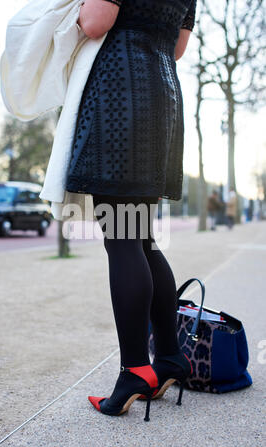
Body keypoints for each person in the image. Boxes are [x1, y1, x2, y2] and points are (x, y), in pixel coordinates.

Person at [65, 0, 196, 421]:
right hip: (163, 96)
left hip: (120, 97)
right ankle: (171, 358)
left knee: (122, 238)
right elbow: (178, 47)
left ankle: (136, 369)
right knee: (141, 238)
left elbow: (95, 22)